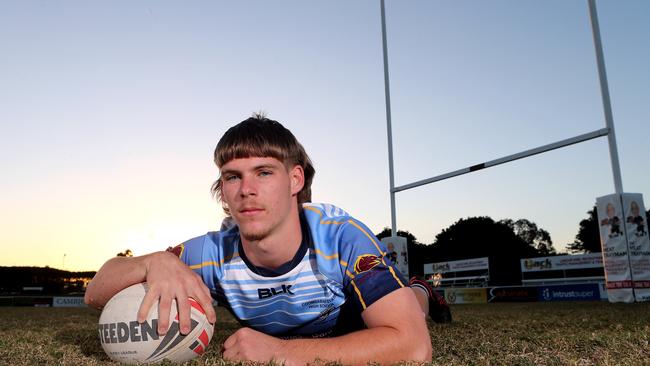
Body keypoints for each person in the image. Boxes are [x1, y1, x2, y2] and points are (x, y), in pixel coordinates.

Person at [85, 115, 450, 365]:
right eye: (232, 177)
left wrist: (282, 352)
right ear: (222, 190)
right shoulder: (212, 252)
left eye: (263, 172)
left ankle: (419, 289)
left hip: (352, 323)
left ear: (295, 180)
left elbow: (414, 346)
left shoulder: (340, 236)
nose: (246, 190)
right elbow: (96, 292)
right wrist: (153, 261)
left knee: (410, 310)